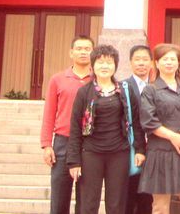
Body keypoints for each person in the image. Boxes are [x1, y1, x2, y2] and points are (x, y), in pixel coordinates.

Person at [66, 44, 146, 214]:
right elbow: (75, 128)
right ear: (93, 65)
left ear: (115, 65)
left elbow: (136, 122)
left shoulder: (125, 90)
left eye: (109, 62)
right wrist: (74, 161)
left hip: (119, 153)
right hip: (91, 153)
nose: (104, 66)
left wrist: (140, 149)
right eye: (100, 62)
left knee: (116, 204)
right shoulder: (84, 92)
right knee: (89, 203)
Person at [139, 43, 180, 214]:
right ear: (156, 63)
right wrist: (172, 136)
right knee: (160, 207)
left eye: (173, 59)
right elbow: (149, 122)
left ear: (178, 63)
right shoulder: (150, 90)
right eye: (164, 59)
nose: (169, 62)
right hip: (160, 153)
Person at [41, 35, 94, 214]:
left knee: (86, 199)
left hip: (89, 143)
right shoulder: (58, 79)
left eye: (87, 49)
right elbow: (49, 113)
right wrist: (47, 144)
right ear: (71, 52)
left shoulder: (98, 80)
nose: (83, 52)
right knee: (59, 196)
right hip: (63, 142)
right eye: (79, 48)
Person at [124, 45, 154, 214]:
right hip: (131, 149)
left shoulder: (157, 86)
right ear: (130, 62)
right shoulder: (123, 87)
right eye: (137, 59)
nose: (141, 63)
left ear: (151, 63)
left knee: (147, 198)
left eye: (145, 59)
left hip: (154, 149)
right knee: (129, 195)